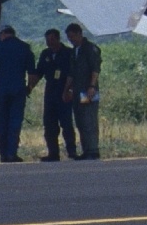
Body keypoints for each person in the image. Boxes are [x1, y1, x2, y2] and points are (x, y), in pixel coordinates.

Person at [28, 28, 77, 160]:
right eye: (47, 40)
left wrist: (69, 90)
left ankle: (72, 151)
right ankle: (53, 153)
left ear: (58, 39)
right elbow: (39, 72)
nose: (50, 43)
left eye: (52, 40)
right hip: (50, 92)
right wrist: (30, 86)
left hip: (64, 90)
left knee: (66, 123)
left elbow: (72, 73)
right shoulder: (45, 54)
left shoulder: (68, 53)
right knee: (49, 124)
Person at [0, 25, 35, 163]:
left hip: (2, 89)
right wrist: (29, 87)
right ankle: (11, 153)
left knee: (1, 121)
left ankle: (3, 153)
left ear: (3, 34)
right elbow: (32, 73)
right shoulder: (25, 48)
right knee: (15, 121)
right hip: (18, 89)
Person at [64, 22, 102, 160]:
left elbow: (95, 69)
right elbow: (71, 73)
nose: (71, 40)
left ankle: (93, 149)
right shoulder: (75, 51)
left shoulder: (90, 49)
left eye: (73, 36)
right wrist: (66, 90)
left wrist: (92, 86)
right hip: (77, 91)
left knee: (89, 119)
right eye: (69, 38)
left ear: (80, 34)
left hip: (88, 91)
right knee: (80, 120)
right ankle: (86, 149)